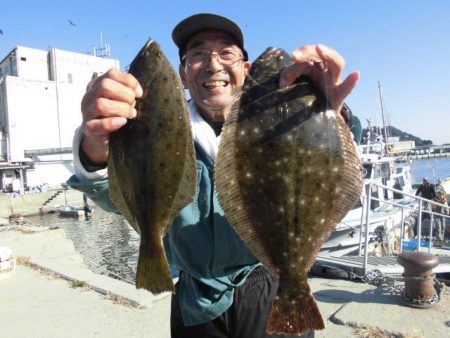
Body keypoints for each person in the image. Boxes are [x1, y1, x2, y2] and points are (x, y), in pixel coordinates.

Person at [67, 13, 360, 338]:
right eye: (197, 54)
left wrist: (330, 113)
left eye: (227, 52)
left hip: (270, 284)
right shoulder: (153, 126)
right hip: (196, 305)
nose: (213, 64)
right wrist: (95, 146)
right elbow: (113, 192)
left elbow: (331, 161)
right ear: (182, 73)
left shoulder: (287, 118)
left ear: (245, 70)